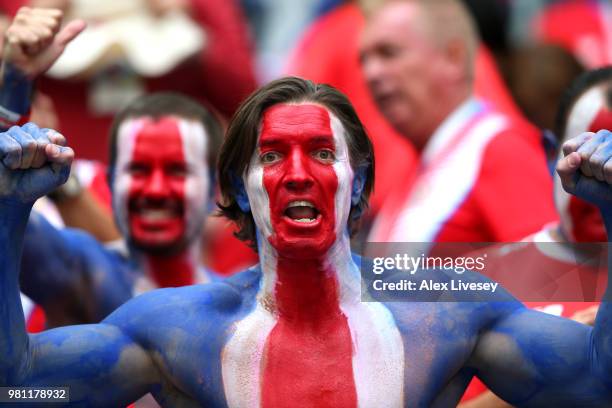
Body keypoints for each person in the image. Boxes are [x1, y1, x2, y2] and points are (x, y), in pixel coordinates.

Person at [1, 76, 612, 406]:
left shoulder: (443, 307)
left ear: (359, 180)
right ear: (239, 189)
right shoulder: (177, 329)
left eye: (322, 153)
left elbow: (596, 382)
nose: (297, 173)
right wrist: (7, 212)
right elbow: (21, 387)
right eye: (271, 156)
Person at [0, 7, 224, 327]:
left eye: (177, 171)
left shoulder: (241, 308)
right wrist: (13, 91)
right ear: (112, 177)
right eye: (138, 171)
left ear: (215, 188)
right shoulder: (86, 275)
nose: (156, 189)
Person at [360, 0, 557, 245]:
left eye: (388, 53)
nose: (371, 73)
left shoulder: (501, 149)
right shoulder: (417, 170)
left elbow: (551, 276)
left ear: (453, 58)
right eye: (364, 61)